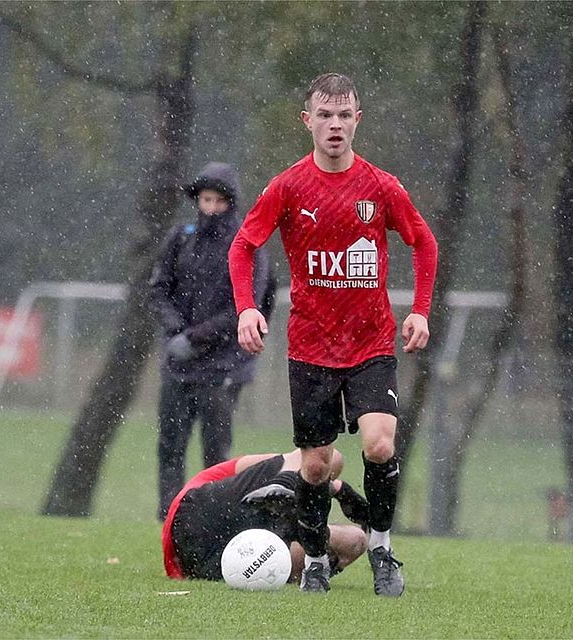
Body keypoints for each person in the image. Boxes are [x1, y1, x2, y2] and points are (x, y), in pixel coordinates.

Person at [228, 73, 438, 596]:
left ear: (357, 120)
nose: (335, 125)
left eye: (345, 115)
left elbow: (425, 243)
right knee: (317, 464)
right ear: (308, 122)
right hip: (311, 346)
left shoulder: (381, 186)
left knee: (379, 443)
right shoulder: (288, 186)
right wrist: (246, 309)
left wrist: (421, 310)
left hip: (370, 343)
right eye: (325, 115)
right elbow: (242, 247)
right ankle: (317, 558)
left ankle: (383, 552)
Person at [149, 162, 272, 520]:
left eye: (219, 200)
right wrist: (175, 332)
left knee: (215, 452)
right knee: (169, 447)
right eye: (206, 199)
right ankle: (169, 517)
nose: (212, 208)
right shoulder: (181, 237)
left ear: (231, 202)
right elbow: (159, 288)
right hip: (177, 364)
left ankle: (212, 519)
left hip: (223, 367)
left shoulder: (248, 245)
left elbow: (246, 305)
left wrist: (197, 338)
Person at [162, 448, 370, 582]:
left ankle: (291, 514)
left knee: (357, 540)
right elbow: (303, 458)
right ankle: (286, 492)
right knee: (331, 456)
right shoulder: (224, 478)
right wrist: (339, 490)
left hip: (205, 563)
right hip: (200, 518)